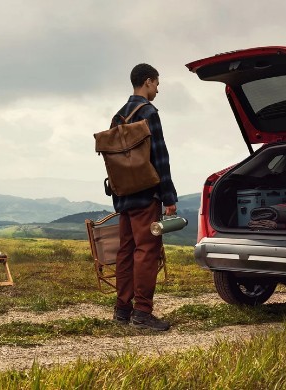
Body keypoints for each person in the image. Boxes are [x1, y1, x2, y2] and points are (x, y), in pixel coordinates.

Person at [110, 63, 178, 331]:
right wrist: (168, 196)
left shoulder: (118, 116)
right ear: (148, 81)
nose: (157, 90)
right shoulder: (149, 113)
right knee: (147, 251)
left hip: (123, 195)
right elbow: (160, 156)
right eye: (157, 84)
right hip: (146, 195)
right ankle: (142, 313)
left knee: (126, 251)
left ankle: (122, 310)